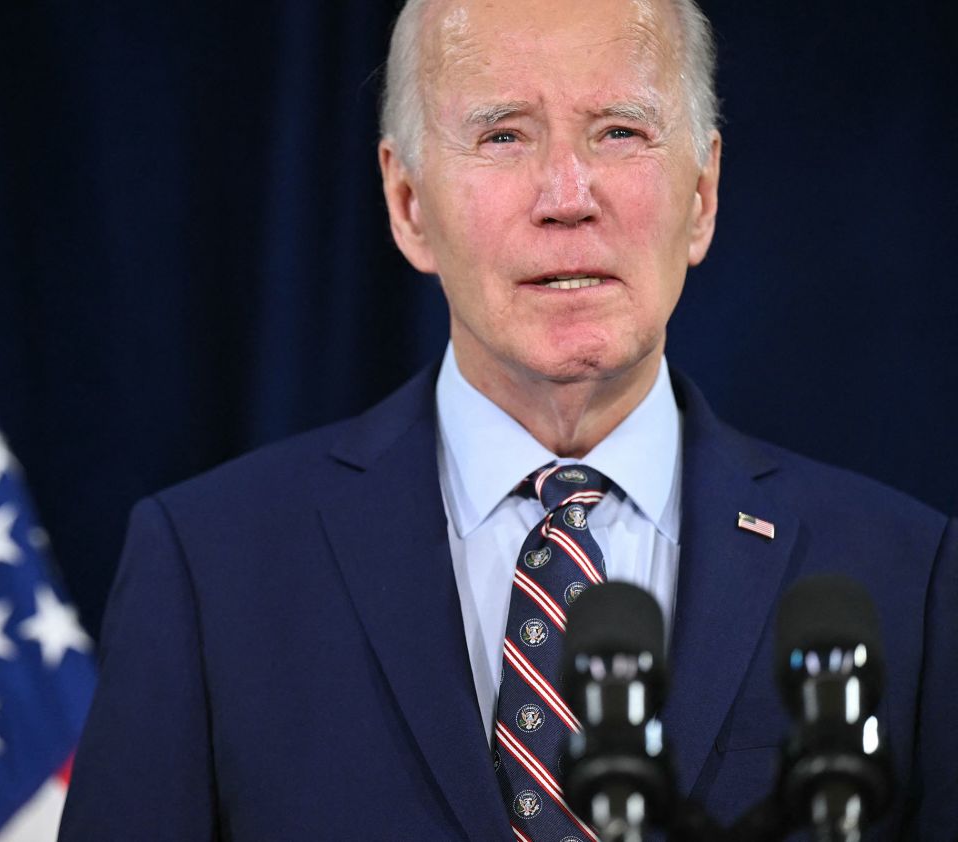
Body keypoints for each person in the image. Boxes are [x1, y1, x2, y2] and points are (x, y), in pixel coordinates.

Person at [59, 0, 957, 838]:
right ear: (408, 204)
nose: (567, 194)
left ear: (702, 197)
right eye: (503, 135)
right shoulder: (210, 569)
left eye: (620, 132)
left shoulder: (905, 578)